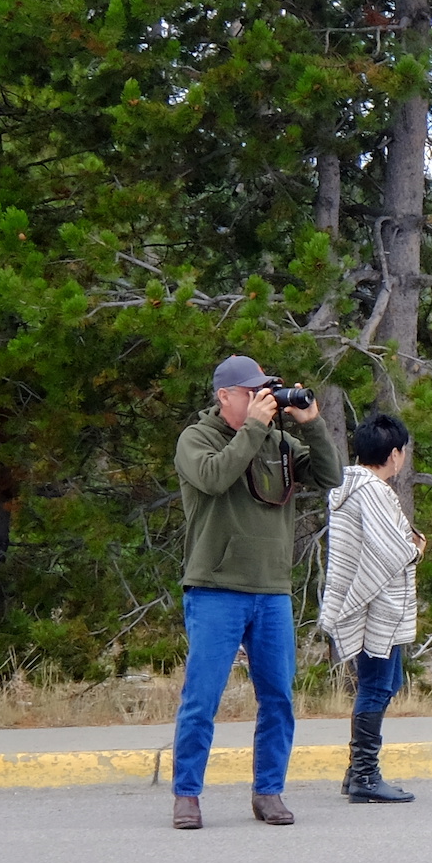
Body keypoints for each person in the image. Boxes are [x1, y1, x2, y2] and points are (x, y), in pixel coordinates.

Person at [170, 355, 343, 830]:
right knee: (202, 698)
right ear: (225, 396)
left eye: (266, 390)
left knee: (278, 697)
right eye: (251, 392)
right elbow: (213, 477)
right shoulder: (196, 439)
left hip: (271, 590)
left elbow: (331, 478)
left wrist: (312, 425)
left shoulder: (279, 441)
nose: (262, 398)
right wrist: (252, 429)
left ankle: (269, 791)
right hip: (215, 587)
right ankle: (187, 795)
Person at [320, 412, 425, 804]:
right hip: (375, 606)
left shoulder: (352, 486)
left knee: (383, 683)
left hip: (369, 603)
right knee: (377, 685)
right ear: (394, 454)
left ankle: (355, 772)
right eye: (404, 453)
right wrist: (415, 549)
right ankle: (364, 774)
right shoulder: (374, 492)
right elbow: (392, 550)